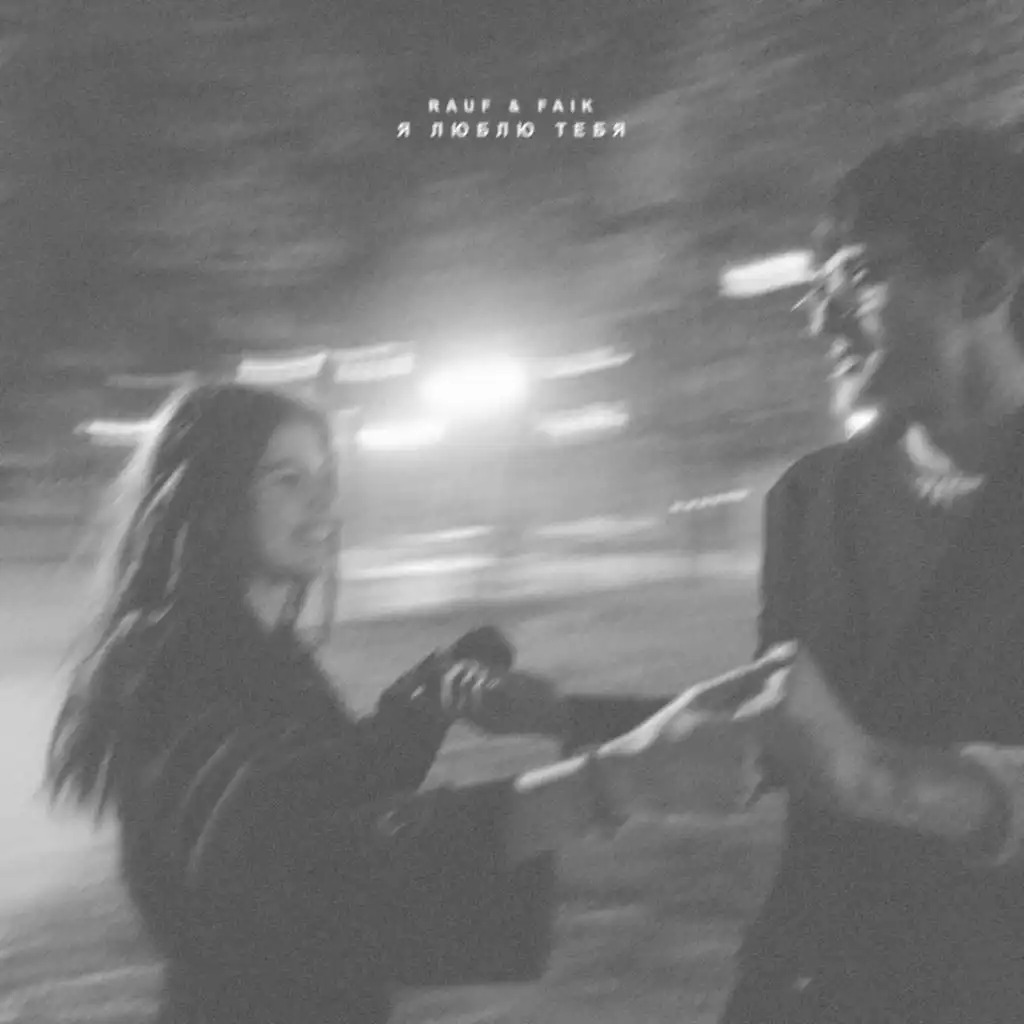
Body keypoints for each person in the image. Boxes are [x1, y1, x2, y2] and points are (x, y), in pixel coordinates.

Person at [44, 378, 796, 1024]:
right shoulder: (176, 661)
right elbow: (291, 854)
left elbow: (328, 787)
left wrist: (431, 697)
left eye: (326, 477)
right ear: (208, 500)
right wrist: (608, 783)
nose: (324, 504)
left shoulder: (259, 653)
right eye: (286, 479)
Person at [586, 126, 1024, 1024]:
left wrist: (886, 780)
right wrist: (560, 717)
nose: (821, 320)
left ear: (986, 280)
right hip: (808, 983)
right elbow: (791, 735)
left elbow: (849, 763)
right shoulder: (809, 501)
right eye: (814, 290)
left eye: (859, 275)